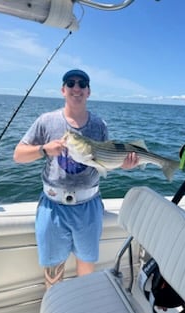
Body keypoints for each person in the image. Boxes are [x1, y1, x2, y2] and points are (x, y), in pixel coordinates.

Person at [13, 69, 139, 289]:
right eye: (71, 83)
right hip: (53, 206)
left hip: (89, 206)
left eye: (82, 84)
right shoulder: (46, 121)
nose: (77, 88)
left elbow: (105, 160)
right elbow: (18, 155)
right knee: (53, 271)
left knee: (87, 270)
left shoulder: (99, 125)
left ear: (89, 91)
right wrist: (44, 149)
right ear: (63, 90)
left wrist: (125, 165)